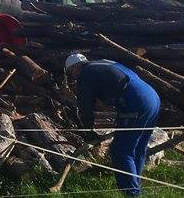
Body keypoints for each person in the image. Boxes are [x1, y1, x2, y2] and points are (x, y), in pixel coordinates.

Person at [65, 53, 161, 197]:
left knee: (121, 151)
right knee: (138, 147)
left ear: (76, 67)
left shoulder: (85, 74)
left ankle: (131, 194)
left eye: (71, 72)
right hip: (152, 98)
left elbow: (85, 106)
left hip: (136, 104)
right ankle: (135, 186)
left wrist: (88, 129)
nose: (73, 76)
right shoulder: (102, 63)